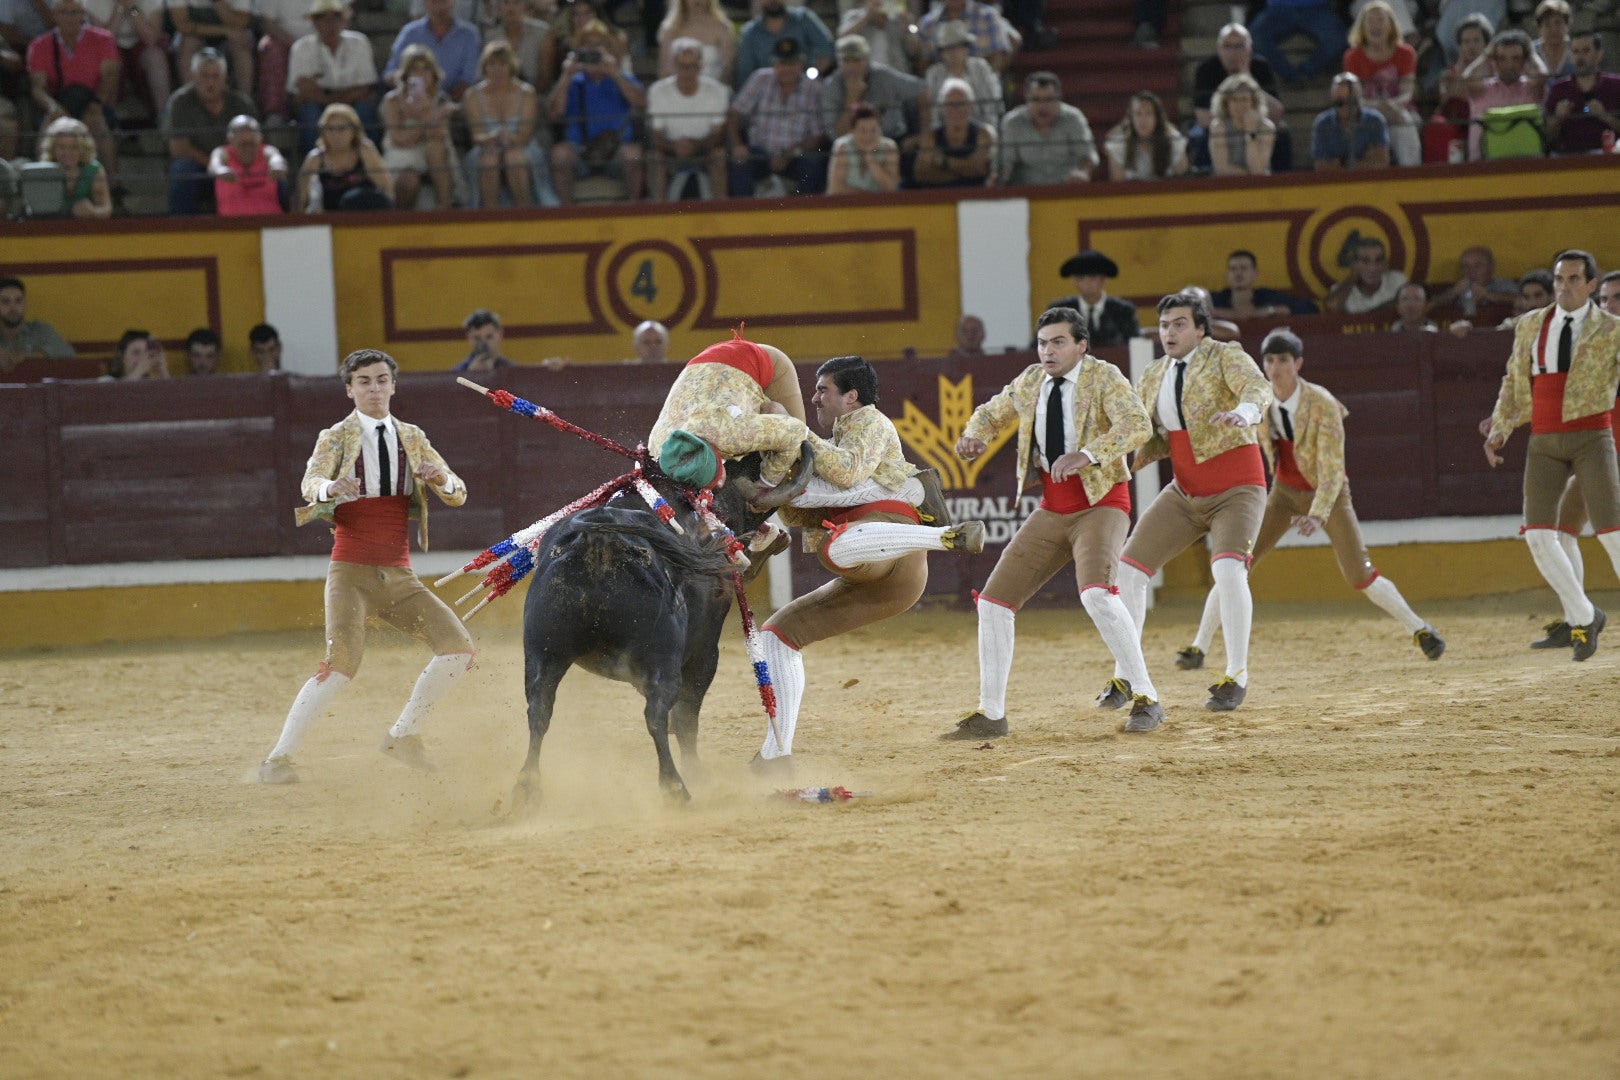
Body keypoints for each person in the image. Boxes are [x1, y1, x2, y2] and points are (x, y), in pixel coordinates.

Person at [748, 356, 984, 767]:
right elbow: (804, 501)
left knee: (836, 544)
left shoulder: (871, 423)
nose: (814, 397)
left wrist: (793, 431)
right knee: (776, 636)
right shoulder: (838, 436)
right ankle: (776, 755)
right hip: (875, 581)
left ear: (851, 397)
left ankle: (946, 537)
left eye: (823, 390)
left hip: (892, 551)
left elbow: (845, 473)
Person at [942, 306, 1163, 739]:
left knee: (1097, 594)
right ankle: (991, 713)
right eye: (1043, 343)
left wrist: (1089, 453)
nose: (1048, 351)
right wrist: (974, 434)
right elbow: (992, 411)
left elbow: (1137, 424)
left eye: (1058, 342)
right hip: (1053, 508)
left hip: (1101, 503)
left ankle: (1147, 697)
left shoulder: (1104, 377)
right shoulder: (1030, 381)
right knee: (992, 603)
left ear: (1082, 345)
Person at [258, 347, 476, 784]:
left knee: (458, 649)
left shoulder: (413, 436)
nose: (374, 388)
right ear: (350, 390)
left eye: (381, 379)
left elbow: (459, 492)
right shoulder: (335, 436)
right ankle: (277, 760)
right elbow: (309, 484)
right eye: (364, 381)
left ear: (393, 386)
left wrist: (441, 479)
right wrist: (329, 489)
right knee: (340, 665)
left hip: (400, 575)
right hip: (351, 573)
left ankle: (401, 735)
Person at [1177, 327, 1444, 671]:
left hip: (1328, 496)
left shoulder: (1323, 403)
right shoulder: (1258, 399)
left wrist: (1318, 514)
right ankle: (1198, 647)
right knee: (1235, 566)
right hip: (1284, 495)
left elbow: (1333, 471)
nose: (1275, 368)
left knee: (1359, 574)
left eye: (1283, 360)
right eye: (1270, 360)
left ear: (1298, 363)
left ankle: (1420, 629)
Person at [1111, 290, 1273, 712]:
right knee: (1127, 570)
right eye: (1164, 325)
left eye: (1179, 324)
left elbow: (1256, 387)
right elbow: (1131, 425)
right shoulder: (1152, 374)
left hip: (1238, 486)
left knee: (1228, 568)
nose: (1170, 332)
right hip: (1185, 490)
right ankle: (1126, 672)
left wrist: (1246, 412)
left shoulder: (1224, 355)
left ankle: (1236, 674)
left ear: (1201, 329)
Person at [1483, 250, 1620, 662]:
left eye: (1575, 279)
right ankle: (1582, 615)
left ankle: (1580, 616)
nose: (1565, 287)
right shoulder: (1529, 325)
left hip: (1593, 436)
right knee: (1542, 535)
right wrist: (1500, 426)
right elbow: (1513, 380)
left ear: (1591, 285)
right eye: (1560, 279)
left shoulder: (1613, 331)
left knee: (1613, 533)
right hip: (1544, 438)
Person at [648, 331, 810, 488]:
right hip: (703, 367)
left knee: (800, 457)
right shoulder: (653, 453)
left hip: (755, 359)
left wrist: (769, 481)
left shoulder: (731, 434)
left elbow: (795, 432)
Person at [547, 18, 644, 204]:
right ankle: (566, 214)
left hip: (616, 149)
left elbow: (640, 103)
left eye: (598, 45)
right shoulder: (573, 81)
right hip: (580, 150)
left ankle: (635, 207)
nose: (593, 50)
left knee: (633, 155)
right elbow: (554, 113)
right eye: (588, 45)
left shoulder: (622, 77)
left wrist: (614, 73)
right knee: (559, 154)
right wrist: (566, 77)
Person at [26, 0, 119, 178]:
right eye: (64, 13)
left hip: (93, 99)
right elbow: (38, 88)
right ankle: (42, 182)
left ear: (83, 14)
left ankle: (114, 183)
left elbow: (110, 77)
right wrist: (53, 107)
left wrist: (96, 104)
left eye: (75, 12)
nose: (70, 18)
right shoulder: (39, 45)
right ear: (54, 16)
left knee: (98, 121)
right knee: (50, 124)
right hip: (59, 102)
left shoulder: (103, 39)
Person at [726, 37, 826, 197]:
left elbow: (817, 135)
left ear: (801, 63)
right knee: (739, 163)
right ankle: (742, 216)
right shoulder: (760, 78)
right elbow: (734, 113)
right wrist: (738, 145)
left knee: (814, 166)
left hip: (795, 154)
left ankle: (806, 216)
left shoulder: (813, 88)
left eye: (791, 63)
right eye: (781, 63)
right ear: (774, 63)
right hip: (759, 152)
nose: (786, 69)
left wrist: (791, 153)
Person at [165, 48, 257, 215]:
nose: (210, 83)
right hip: (200, 170)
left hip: (238, 168)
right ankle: (181, 227)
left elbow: (257, 143)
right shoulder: (180, 102)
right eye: (204, 76)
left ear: (225, 78)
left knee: (273, 175)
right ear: (193, 76)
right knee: (182, 169)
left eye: (216, 77)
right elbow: (178, 148)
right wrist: (215, 166)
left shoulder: (241, 104)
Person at [1188, 23, 1289, 174]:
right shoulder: (1206, 69)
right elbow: (1203, 118)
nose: (1233, 52)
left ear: (1250, 48)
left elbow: (1277, 113)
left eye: (1239, 46)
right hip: (1221, 125)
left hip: (1255, 123)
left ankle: (1282, 181)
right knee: (1201, 135)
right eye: (1227, 46)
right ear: (1218, 48)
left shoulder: (1260, 66)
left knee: (1281, 131)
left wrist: (1247, 77)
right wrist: (1236, 119)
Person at [286, 0, 381, 158]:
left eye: (336, 17)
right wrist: (331, 100)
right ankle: (315, 167)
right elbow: (300, 93)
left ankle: (368, 163)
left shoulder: (359, 43)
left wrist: (326, 96)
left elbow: (366, 87)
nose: (330, 24)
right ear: (314, 23)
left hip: (352, 101)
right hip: (319, 103)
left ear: (344, 21)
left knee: (365, 110)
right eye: (323, 18)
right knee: (309, 113)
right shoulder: (301, 48)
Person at [646, 35, 729, 202]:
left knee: (719, 156)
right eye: (683, 67)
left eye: (693, 67)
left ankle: (722, 212)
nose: (688, 72)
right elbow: (656, 134)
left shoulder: (717, 90)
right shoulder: (658, 91)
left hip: (705, 151)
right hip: (670, 152)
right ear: (674, 66)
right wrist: (674, 146)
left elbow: (718, 134)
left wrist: (695, 145)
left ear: (701, 67)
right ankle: (657, 214)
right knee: (654, 158)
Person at [464, 39, 540, 208]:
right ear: (484, 68)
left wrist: (510, 139)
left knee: (514, 157)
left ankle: (525, 212)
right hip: (486, 146)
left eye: (503, 64)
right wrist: (493, 138)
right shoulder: (472, 95)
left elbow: (526, 135)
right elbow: (477, 136)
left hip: (522, 146)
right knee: (489, 159)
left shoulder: (527, 93)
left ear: (511, 66)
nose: (497, 70)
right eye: (492, 64)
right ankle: (490, 216)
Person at [819, 33, 926, 154]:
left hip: (890, 140)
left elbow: (922, 89)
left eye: (857, 60)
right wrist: (852, 99)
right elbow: (835, 135)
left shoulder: (883, 75)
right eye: (846, 61)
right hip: (852, 147)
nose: (852, 67)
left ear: (867, 60)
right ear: (839, 63)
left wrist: (925, 135)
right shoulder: (831, 86)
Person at [1342, 0, 1419, 165]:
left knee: (1404, 122)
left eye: (1380, 20)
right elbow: (1354, 98)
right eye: (1370, 21)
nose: (1375, 25)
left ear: (1391, 25)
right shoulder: (1352, 56)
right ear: (1362, 27)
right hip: (1366, 111)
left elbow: (1406, 94)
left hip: (1399, 109)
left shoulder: (1406, 53)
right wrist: (1378, 108)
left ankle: (1412, 174)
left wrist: (1391, 107)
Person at [379, 43, 454, 209]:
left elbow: (438, 135)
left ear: (434, 73)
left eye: (426, 69)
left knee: (436, 148)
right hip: (402, 155)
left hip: (433, 156)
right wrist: (428, 118)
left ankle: (445, 207)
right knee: (408, 179)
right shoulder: (392, 101)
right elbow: (400, 139)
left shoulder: (440, 100)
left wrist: (427, 108)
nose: (421, 74)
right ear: (406, 75)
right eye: (415, 69)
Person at [994, 71, 1096, 186]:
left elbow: (1087, 156)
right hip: (1026, 192)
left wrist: (1083, 172)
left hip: (1067, 190)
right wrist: (1001, 177)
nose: (1042, 106)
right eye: (1036, 99)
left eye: (1049, 99)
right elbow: (1004, 163)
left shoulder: (1073, 119)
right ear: (1026, 99)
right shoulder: (1012, 122)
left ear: (1059, 99)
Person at [81, 0, 168, 125]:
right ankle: (109, 120)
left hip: (141, 44)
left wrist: (132, 7)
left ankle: (164, 116)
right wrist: (120, 8)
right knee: (111, 63)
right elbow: (102, 41)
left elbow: (151, 38)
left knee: (156, 57)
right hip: (111, 46)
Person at [297, 100, 393, 211]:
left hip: (366, 218)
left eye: (342, 129)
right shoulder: (315, 158)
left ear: (354, 130)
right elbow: (301, 199)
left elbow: (386, 188)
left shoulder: (365, 150)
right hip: (332, 221)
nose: (336, 135)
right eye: (330, 129)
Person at [1463, 29, 1543, 161]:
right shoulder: (1483, 89)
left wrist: (1531, 51)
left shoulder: (1531, 88)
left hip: (1528, 164)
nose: (1509, 65)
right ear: (1494, 61)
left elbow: (1543, 76)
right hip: (1483, 166)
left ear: (1524, 61)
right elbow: (1467, 79)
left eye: (1515, 58)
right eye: (1502, 59)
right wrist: (1486, 54)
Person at [384, 0, 479, 102]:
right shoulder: (410, 33)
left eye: (444, 1)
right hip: (410, 102)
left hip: (456, 103)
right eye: (434, 1)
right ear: (424, 3)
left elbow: (469, 78)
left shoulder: (469, 35)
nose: (439, 6)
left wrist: (441, 103)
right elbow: (391, 72)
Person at [1543, 31, 1620, 157]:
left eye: (1586, 51)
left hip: (1610, 159)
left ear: (1599, 55)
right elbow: (1547, 141)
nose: (1580, 57)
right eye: (1575, 52)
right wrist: (1557, 119)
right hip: (1569, 159)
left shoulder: (1617, 85)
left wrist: (1606, 117)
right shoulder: (1558, 89)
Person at [1044, 249, 1138, 348]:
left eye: (1092, 278)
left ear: (1104, 280)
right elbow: (1039, 346)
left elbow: (1135, 346)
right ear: (1074, 282)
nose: (1087, 284)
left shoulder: (1123, 311)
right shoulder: (1059, 311)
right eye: (1081, 278)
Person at [912, 75, 993, 188]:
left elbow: (980, 169)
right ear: (942, 108)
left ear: (970, 106)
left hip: (976, 198)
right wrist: (964, 171)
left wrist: (945, 162)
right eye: (950, 105)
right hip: (940, 199)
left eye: (960, 104)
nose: (955, 109)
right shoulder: (931, 136)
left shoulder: (984, 133)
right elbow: (922, 174)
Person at [733, 0, 833, 88]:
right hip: (766, 95)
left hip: (807, 89)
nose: (773, 1)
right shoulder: (749, 33)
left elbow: (827, 51)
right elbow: (745, 75)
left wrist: (809, 78)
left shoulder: (804, 19)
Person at [923, 20, 1002, 130]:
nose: (953, 52)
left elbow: (993, 102)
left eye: (957, 47)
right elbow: (932, 112)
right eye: (948, 48)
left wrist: (989, 129)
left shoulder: (980, 68)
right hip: (945, 132)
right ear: (942, 53)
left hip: (981, 128)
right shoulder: (934, 74)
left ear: (966, 48)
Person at [1249, 0, 1348, 87]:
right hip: (1278, 9)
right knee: (1253, 37)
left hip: (1317, 9)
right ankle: (1290, 75)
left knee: (1339, 38)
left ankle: (1307, 71)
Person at [169, 0, 254, 97]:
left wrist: (217, 2)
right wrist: (224, 31)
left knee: (241, 44)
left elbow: (241, 23)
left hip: (228, 41)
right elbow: (183, 25)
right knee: (188, 43)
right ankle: (192, 100)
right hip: (196, 37)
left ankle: (245, 102)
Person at [209, 113, 286, 215]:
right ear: (231, 142)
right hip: (232, 225)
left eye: (252, 144)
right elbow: (214, 164)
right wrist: (221, 170)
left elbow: (276, 159)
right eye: (243, 144)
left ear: (260, 140)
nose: (248, 149)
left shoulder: (267, 151)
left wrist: (277, 166)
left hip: (269, 222)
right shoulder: (223, 152)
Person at [254, 0, 316, 127]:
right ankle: (276, 112)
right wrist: (297, 45)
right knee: (270, 48)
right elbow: (267, 23)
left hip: (322, 40)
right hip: (284, 40)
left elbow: (344, 13)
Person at [1209, 250, 1319, 320]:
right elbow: (1194, 312)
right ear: (1227, 275)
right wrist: (1225, 313)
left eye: (1243, 268)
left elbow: (1311, 308)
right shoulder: (1215, 299)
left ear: (1255, 274)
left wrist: (1267, 311)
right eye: (1233, 269)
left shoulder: (1267, 296)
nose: (1238, 273)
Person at [1312, 72, 1390, 170]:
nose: (1346, 107)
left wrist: (1340, 163)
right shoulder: (1322, 124)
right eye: (1340, 102)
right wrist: (1364, 161)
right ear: (1332, 100)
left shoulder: (1375, 120)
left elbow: (1381, 162)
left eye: (1352, 102)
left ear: (1360, 100)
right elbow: (1321, 167)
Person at [1103, 90, 1187, 180]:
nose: (1143, 120)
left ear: (1157, 118)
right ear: (1131, 118)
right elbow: (1117, 186)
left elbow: (1182, 180)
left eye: (1149, 114)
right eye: (1138, 114)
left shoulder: (1173, 140)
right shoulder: (1119, 145)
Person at [38, 114, 110, 217]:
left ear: (83, 148)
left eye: (74, 147)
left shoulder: (94, 170)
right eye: (62, 147)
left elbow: (106, 209)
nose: (67, 153)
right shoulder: (43, 171)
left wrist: (93, 212)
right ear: (53, 148)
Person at [0, 275, 75, 374]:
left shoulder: (41, 330)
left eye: (18, 301)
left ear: (25, 304)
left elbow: (68, 353)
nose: (13, 308)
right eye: (5, 301)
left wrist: (29, 354)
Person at [915, 0, 1011, 75]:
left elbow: (998, 58)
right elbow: (924, 64)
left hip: (982, 89)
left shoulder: (989, 16)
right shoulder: (927, 23)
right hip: (942, 91)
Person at [1208, 72, 1276, 177]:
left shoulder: (1266, 127)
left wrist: (1251, 131)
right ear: (1226, 103)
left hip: (1260, 188)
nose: (1239, 105)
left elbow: (1258, 170)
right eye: (1234, 99)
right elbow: (1221, 168)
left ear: (1254, 102)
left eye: (1244, 99)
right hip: (1226, 186)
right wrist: (1249, 178)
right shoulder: (1218, 127)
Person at [826, 101, 899, 194]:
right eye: (863, 130)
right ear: (852, 130)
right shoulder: (842, 146)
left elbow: (891, 187)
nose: (868, 135)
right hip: (845, 206)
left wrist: (870, 159)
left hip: (879, 207)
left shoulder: (889, 147)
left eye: (873, 130)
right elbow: (835, 188)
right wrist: (867, 197)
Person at [837, 0, 921, 80]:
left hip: (896, 75)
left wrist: (909, 26)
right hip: (865, 77)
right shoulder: (854, 16)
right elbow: (842, 37)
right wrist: (867, 17)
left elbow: (913, 50)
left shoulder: (897, 18)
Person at [1428, 245, 1519, 318]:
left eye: (1478, 265)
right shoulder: (1459, 288)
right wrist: (1454, 293)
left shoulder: (1503, 285)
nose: (1471, 271)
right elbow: (1430, 305)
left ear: (1492, 267)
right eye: (1465, 266)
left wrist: (1487, 295)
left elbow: (1520, 300)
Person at [656, 0, 732, 84]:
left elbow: (727, 69)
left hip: (713, 89)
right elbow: (664, 70)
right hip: (677, 91)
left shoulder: (723, 27)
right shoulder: (670, 29)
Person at [1325, 236, 1406, 315]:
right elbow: (1333, 308)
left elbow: (1411, 303)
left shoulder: (1396, 280)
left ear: (1385, 264)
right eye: (1365, 261)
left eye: (1379, 260)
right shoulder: (1341, 289)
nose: (1373, 268)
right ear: (1354, 264)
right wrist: (1353, 276)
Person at [486, 0, 547, 88]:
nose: (511, 8)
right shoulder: (490, 36)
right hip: (498, 93)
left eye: (516, 2)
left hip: (534, 93)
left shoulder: (542, 33)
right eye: (506, 3)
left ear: (525, 6)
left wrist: (525, 96)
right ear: (499, 7)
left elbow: (545, 78)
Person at [452, 308, 514, 373]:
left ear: (500, 334)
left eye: (489, 337)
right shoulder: (455, 375)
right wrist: (470, 375)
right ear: (469, 337)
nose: (483, 343)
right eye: (477, 338)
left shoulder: (514, 373)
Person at [1530, 0, 1573, 81]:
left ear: (1567, 25)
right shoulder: (1531, 51)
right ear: (1539, 28)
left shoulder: (1576, 49)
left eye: (1558, 23)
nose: (1553, 30)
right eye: (1547, 24)